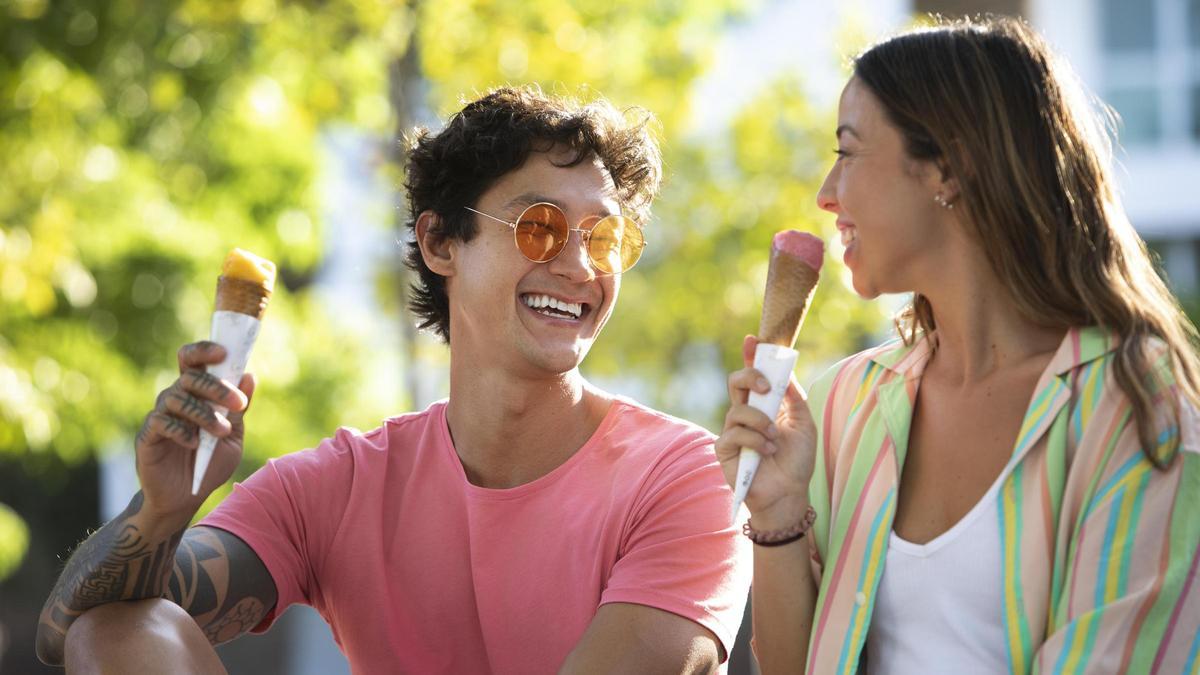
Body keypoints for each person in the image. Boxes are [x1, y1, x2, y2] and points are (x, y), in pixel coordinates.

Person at [37, 86, 751, 674]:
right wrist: (162, 510)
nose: (579, 266)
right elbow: (66, 630)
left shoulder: (686, 478)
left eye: (603, 237)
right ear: (442, 242)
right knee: (118, 630)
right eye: (540, 226)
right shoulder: (339, 484)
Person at [715, 16, 1200, 675]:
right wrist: (778, 512)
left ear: (948, 165)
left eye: (848, 151)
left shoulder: (1140, 412)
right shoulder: (841, 404)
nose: (826, 196)